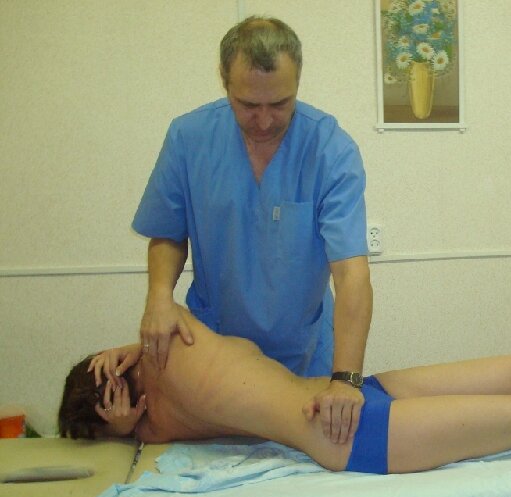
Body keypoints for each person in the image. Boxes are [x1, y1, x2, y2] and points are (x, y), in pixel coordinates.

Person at [59, 308, 511, 475]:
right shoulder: (159, 421)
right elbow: (162, 438)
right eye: (107, 385)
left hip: (353, 393)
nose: (115, 370)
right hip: (342, 436)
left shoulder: (167, 338)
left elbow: (166, 312)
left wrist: (133, 349)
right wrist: (126, 423)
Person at [132, 16, 372, 445]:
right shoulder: (188, 139)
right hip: (214, 355)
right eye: (247, 105)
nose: (263, 121)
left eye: (280, 104)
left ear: (298, 83)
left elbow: (351, 272)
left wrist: (347, 379)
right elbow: (167, 232)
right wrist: (159, 298)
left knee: (311, 464)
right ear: (224, 82)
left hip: (304, 354)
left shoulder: (330, 150)